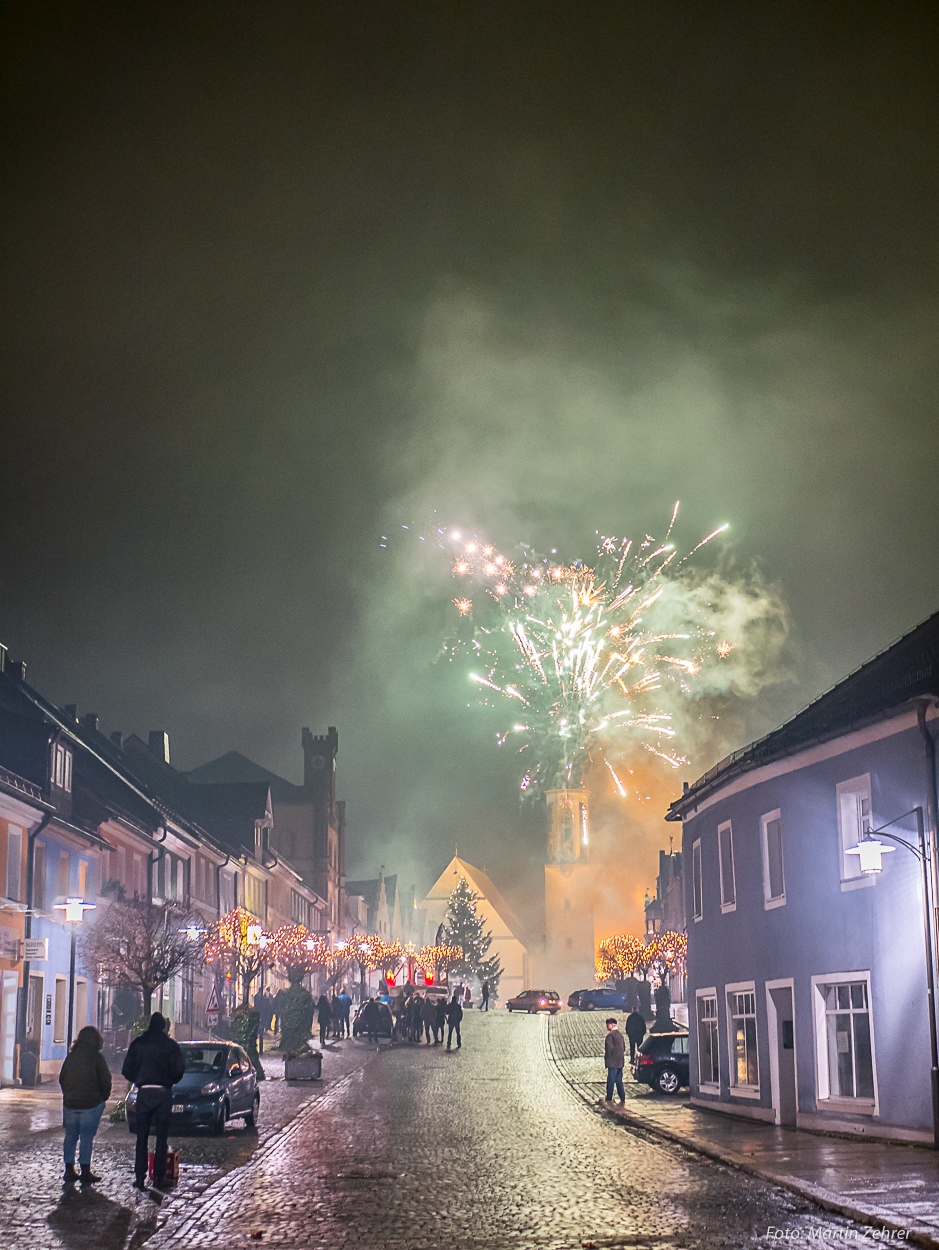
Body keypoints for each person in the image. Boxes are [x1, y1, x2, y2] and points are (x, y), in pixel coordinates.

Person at [121, 1012, 185, 1190]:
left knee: (141, 1136)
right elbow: (179, 1069)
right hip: (163, 1092)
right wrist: (169, 1081)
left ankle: (140, 1176)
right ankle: (158, 1176)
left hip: (144, 1092)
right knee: (162, 1136)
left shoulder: (138, 1043)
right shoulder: (170, 1045)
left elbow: (126, 1069)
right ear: (163, 1027)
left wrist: (138, 1079)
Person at [59, 1025, 112, 1185]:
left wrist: (69, 1094)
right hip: (91, 1104)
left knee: (70, 1136)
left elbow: (62, 1078)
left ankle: (69, 1169)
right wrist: (103, 1097)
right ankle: (85, 1170)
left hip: (71, 1104)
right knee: (86, 1137)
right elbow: (105, 1080)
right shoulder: (96, 1058)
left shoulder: (71, 1056)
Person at [604, 1017, 626, 1105]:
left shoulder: (610, 1036)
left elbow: (609, 1049)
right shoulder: (620, 1035)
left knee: (611, 1080)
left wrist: (607, 1059)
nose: (607, 1026)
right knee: (619, 1081)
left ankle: (609, 1097)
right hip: (620, 1061)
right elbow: (623, 1048)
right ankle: (622, 1096)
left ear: (612, 1025)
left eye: (608, 1024)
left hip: (612, 1062)